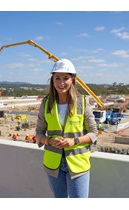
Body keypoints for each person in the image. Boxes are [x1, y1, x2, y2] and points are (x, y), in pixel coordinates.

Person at [36, 58, 98, 198]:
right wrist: (50, 141)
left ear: (73, 80)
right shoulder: (46, 103)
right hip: (53, 166)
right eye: (57, 78)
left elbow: (93, 133)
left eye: (66, 78)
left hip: (77, 165)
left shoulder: (82, 102)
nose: (61, 82)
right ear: (52, 80)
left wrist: (73, 141)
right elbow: (39, 133)